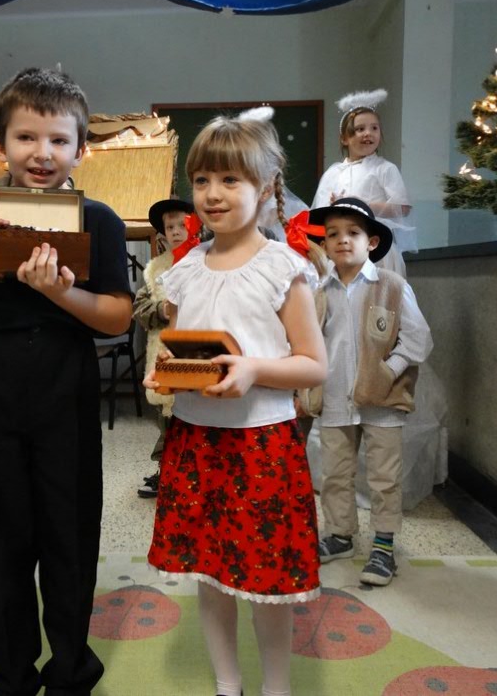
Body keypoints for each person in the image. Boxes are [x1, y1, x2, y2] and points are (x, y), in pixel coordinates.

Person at [0, 67, 132, 696]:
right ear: (0, 145)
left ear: (81, 149)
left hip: (66, 377)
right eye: (26, 137)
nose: (42, 154)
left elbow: (117, 317)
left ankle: (70, 669)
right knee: (0, 530)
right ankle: (11, 673)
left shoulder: (99, 219)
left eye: (59, 140)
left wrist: (61, 293)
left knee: (70, 526)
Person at [144, 107, 327, 696]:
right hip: (195, 442)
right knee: (209, 573)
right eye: (202, 180)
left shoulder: (283, 268)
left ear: (266, 186)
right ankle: (228, 683)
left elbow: (313, 364)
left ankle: (276, 687)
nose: (212, 194)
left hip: (262, 445)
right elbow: (181, 349)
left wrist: (254, 369)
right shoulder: (185, 271)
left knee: (268, 582)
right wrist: (167, 376)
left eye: (230, 180)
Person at [303, 196, 433, 587]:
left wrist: (387, 371)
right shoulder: (318, 292)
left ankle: (383, 546)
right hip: (334, 399)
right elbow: (308, 341)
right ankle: (340, 535)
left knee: (384, 476)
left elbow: (418, 338)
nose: (342, 240)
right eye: (333, 234)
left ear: (371, 242)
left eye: (353, 233)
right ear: (324, 244)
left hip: (383, 402)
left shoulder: (391, 287)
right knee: (334, 473)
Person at [312, 89, 416, 277]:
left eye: (374, 128)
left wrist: (363, 205)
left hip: (376, 248)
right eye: (360, 129)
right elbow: (319, 212)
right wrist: (334, 207)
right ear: (345, 138)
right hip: (342, 249)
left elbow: (402, 208)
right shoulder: (333, 173)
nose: (368, 133)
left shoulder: (385, 168)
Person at [132, 197, 196, 498]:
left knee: (195, 420)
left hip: (199, 353)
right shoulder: (155, 270)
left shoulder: (208, 261)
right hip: (163, 353)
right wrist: (162, 309)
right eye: (170, 227)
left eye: (182, 225)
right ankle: (166, 471)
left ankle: (193, 474)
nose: (176, 231)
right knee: (167, 417)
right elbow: (139, 308)